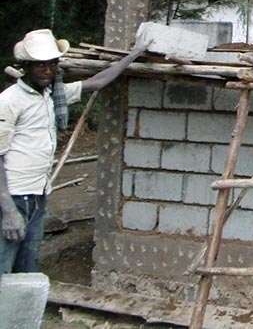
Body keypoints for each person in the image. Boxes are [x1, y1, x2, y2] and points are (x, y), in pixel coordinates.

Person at [0, 28, 148, 274]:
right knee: (3, 264)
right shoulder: (9, 101)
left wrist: (133, 55)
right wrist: (8, 211)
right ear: (26, 66)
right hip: (14, 196)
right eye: (40, 65)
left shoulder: (52, 95)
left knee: (26, 266)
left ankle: (21, 313)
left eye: (52, 63)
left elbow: (98, 81)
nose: (47, 70)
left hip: (37, 193)